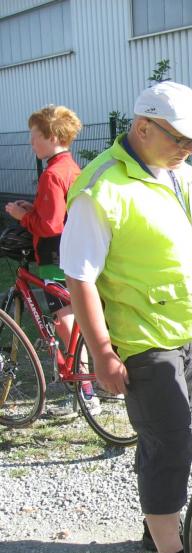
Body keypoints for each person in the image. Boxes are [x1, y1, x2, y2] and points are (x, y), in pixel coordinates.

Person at [60, 82, 192, 553]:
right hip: (145, 342)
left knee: (183, 433)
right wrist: (102, 353)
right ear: (143, 128)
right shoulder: (101, 188)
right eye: (181, 138)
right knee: (169, 441)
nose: (190, 148)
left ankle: (159, 524)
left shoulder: (179, 174)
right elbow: (79, 278)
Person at [3, 105, 98, 414]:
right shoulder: (70, 167)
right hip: (74, 251)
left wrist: (21, 216)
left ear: (52, 137)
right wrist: (32, 209)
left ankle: (86, 393)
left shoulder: (52, 174)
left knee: (65, 324)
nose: (31, 143)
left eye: (35, 136)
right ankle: (86, 388)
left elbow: (50, 225)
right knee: (71, 323)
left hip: (55, 257)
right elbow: (60, 212)